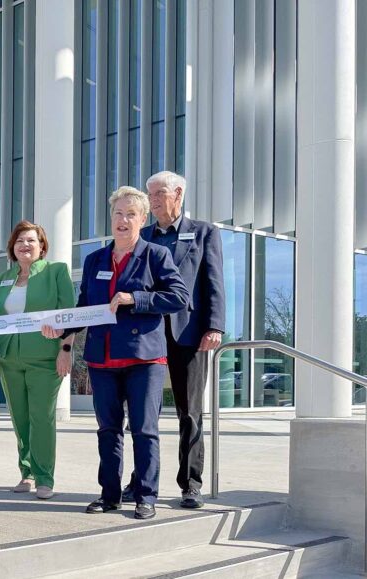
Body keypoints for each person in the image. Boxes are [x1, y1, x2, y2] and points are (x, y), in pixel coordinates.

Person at [44, 186, 189, 520]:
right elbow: (84, 307)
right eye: (118, 214)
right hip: (102, 358)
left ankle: (145, 496)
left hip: (144, 358)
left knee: (144, 429)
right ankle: (109, 495)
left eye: (131, 214)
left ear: (143, 219)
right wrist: (61, 330)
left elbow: (179, 297)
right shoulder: (95, 259)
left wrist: (135, 299)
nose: (123, 220)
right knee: (108, 430)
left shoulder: (156, 255)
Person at [123, 170, 225, 509]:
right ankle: (140, 480)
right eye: (149, 195)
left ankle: (190, 484)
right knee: (142, 412)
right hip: (147, 334)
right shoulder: (144, 236)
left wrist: (215, 326)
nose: (151, 201)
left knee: (190, 411)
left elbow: (213, 282)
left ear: (178, 193)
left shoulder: (203, 233)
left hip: (189, 334)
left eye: (158, 194)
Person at [0, 221, 74, 500]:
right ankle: (27, 472)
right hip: (9, 358)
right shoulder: (1, 280)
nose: (25, 245)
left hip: (45, 358)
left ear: (42, 246)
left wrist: (66, 350)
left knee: (41, 418)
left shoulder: (55, 272)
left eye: (31, 240)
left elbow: (68, 313)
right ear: (12, 247)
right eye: (19, 241)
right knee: (20, 419)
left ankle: (45, 477)